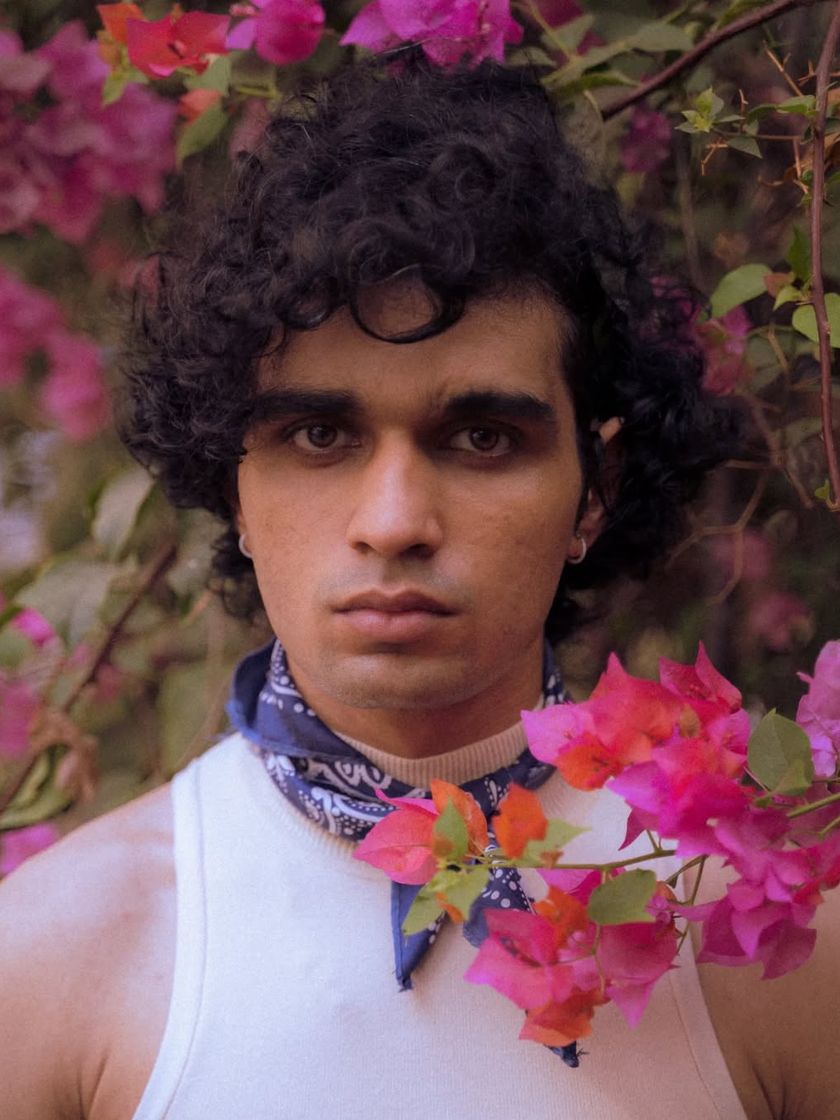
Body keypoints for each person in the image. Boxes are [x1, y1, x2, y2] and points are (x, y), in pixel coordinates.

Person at [0, 58, 837, 1120]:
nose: (394, 520)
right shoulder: (61, 956)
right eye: (320, 435)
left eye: (481, 437)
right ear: (233, 488)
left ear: (595, 488)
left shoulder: (763, 940)